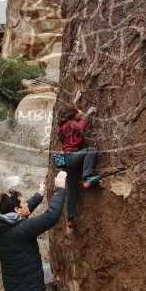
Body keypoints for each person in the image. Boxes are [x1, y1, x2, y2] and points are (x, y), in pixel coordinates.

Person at [57, 90, 100, 229]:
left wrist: (76, 100)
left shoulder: (63, 125)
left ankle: (70, 219)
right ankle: (87, 177)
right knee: (90, 151)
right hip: (72, 156)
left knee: (72, 190)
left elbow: (72, 112)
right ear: (72, 116)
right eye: (77, 112)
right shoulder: (71, 124)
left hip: (68, 161)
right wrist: (88, 113)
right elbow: (80, 126)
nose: (79, 112)